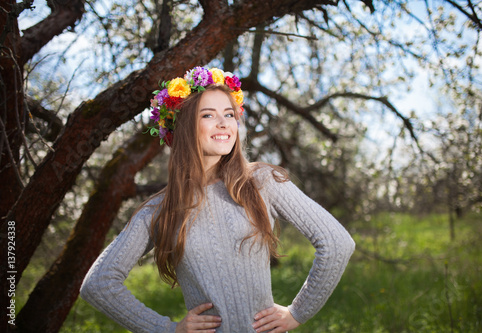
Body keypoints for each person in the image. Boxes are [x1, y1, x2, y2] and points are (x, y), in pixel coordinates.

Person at [80, 66, 355, 333]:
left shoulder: (261, 181)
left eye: (229, 113)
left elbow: (337, 243)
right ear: (184, 127)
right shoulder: (160, 209)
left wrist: (298, 312)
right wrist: (166, 328)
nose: (224, 123)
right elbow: (98, 284)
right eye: (208, 115)